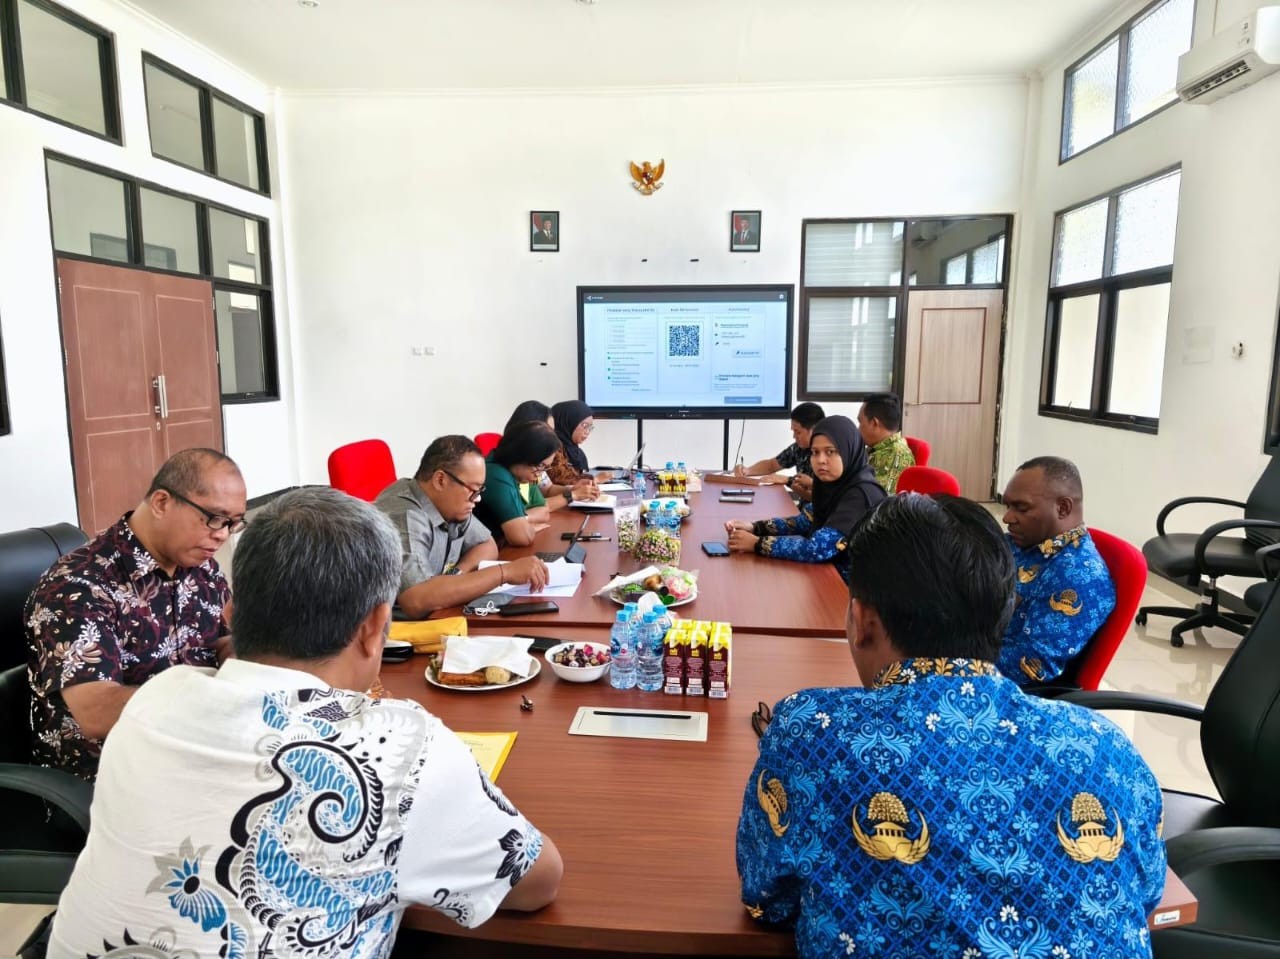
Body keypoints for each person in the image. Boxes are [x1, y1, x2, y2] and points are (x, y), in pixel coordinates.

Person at [47, 487, 562, 958]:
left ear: (232, 611)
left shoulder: (153, 701)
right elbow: (537, 883)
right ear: (376, 626)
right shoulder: (405, 748)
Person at [736, 494, 1165, 959]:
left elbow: (767, 898)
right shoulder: (1107, 746)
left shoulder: (809, 731)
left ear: (862, 622)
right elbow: (1147, 893)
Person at [26, 448, 246, 781]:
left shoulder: (201, 569)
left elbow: (221, 640)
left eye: (232, 523)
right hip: (113, 777)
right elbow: (97, 711)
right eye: (214, 518)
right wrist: (214, 698)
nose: (222, 534)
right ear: (161, 503)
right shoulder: (78, 588)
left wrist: (244, 662)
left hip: (194, 751)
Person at [374, 435, 549, 617]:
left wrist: (457, 575)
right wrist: (504, 573)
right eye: (473, 490)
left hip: (437, 616)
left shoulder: (451, 503)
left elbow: (486, 544)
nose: (477, 498)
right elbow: (416, 599)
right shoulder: (406, 515)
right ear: (440, 480)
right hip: (392, 633)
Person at [1000, 456, 1116, 685]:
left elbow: (1031, 666)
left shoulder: (1079, 577)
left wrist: (946, 658)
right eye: (1008, 506)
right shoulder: (1024, 543)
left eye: (1021, 508)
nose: (1007, 518)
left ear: (1063, 508)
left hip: (1007, 693)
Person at [725, 416, 885, 582]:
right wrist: (754, 527)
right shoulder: (833, 485)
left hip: (854, 592)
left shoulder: (861, 494)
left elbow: (817, 549)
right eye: (815, 452)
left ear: (848, 451)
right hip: (827, 577)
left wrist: (758, 544)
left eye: (830, 452)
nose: (820, 460)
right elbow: (803, 521)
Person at [476, 421, 567, 546]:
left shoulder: (521, 473)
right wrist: (525, 524)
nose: (540, 474)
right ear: (521, 454)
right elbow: (523, 538)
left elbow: (544, 512)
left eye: (545, 468)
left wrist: (523, 520)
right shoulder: (496, 474)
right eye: (541, 465)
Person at [505, 400, 598, 506]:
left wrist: (572, 489)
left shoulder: (536, 462)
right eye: (548, 430)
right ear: (526, 430)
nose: (553, 436)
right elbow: (527, 511)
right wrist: (572, 495)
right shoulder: (511, 469)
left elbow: (547, 489)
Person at [735, 402, 825, 499]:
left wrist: (788, 480)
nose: (794, 436)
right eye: (793, 431)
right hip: (803, 510)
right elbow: (772, 465)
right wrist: (747, 471)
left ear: (814, 430)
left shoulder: (829, 458)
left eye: (798, 432)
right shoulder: (798, 448)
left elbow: (821, 498)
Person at [856, 392, 915, 494]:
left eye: (860, 422)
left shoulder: (897, 455)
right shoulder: (876, 447)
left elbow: (878, 498)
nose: (858, 428)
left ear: (874, 423)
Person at [546, 400, 613, 486]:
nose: (587, 432)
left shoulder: (576, 452)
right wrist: (595, 479)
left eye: (590, 427)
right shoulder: (551, 445)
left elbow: (575, 475)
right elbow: (560, 479)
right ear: (568, 422)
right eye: (585, 426)